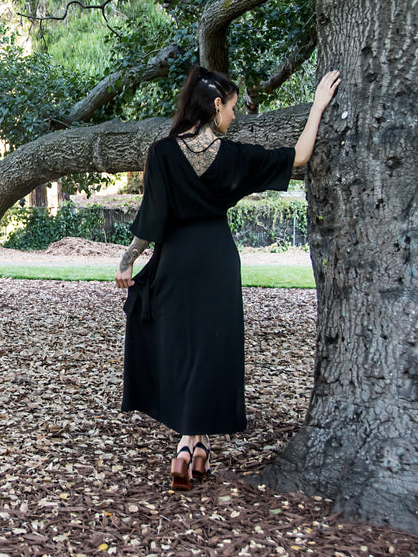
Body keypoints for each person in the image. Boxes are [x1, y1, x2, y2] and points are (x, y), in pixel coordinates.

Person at [115, 66, 340, 491]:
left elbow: (152, 220)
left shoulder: (162, 153)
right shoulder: (235, 156)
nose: (234, 117)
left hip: (176, 261)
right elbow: (300, 156)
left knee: (183, 347)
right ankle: (192, 444)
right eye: (233, 108)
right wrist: (318, 106)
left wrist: (127, 261)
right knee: (208, 349)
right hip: (217, 260)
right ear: (216, 106)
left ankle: (189, 445)